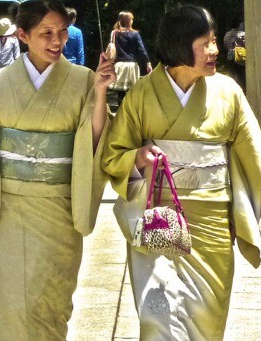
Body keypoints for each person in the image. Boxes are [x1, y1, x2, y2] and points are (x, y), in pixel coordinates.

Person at [102, 6, 261, 339]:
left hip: (212, 226)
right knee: (159, 323)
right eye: (206, 43)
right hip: (160, 221)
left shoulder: (228, 92)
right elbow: (112, 155)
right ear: (179, 45)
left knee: (207, 323)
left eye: (214, 41)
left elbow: (254, 155)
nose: (216, 51)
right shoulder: (143, 94)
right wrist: (138, 156)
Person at [0, 1, 114, 339]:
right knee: (11, 304)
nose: (57, 41)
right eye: (46, 33)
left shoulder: (83, 79)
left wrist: (100, 92)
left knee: (51, 303)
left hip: (57, 208)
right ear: (23, 35)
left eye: (62, 32)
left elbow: (94, 139)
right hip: (8, 212)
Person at [108, 11, 152, 103]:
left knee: (120, 94)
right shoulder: (135, 34)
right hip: (132, 66)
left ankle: (120, 112)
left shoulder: (115, 33)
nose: (132, 21)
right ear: (128, 21)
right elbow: (141, 50)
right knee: (132, 93)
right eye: (131, 19)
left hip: (119, 66)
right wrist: (148, 63)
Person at [223, 22, 246, 89]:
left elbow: (225, 44)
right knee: (241, 76)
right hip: (240, 58)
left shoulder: (227, 34)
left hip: (230, 58)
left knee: (233, 75)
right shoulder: (242, 34)